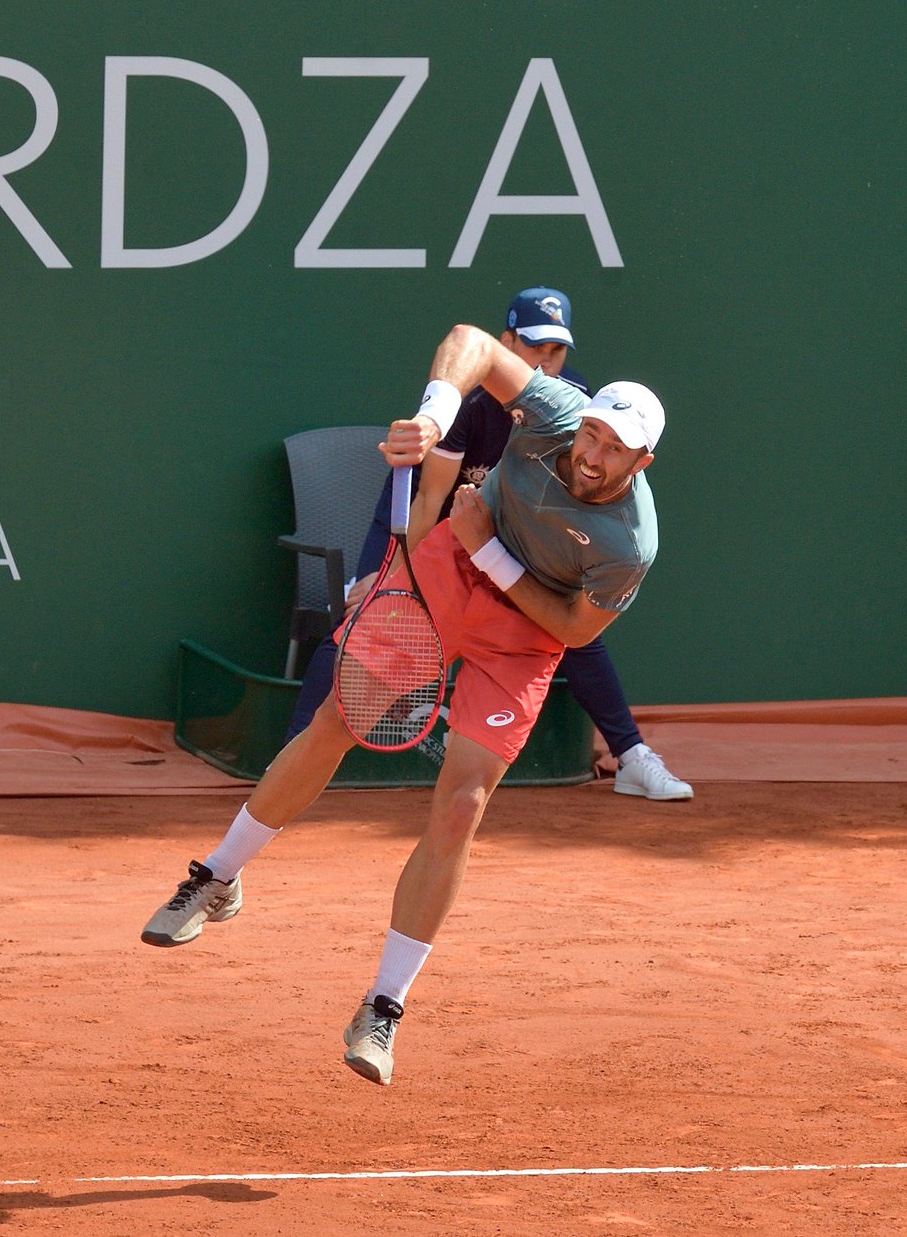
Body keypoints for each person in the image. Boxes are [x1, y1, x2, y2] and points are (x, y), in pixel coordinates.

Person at [143, 317, 667, 1086]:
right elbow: (472, 342)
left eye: (615, 449)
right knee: (336, 720)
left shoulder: (630, 543)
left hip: (524, 634)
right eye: (592, 434)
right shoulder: (555, 410)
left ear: (642, 461)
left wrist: (490, 547)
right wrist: (434, 414)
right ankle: (217, 876)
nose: (593, 453)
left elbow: (574, 630)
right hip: (447, 573)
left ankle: (382, 1006)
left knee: (462, 806)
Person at [284, 288, 691, 800]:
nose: (545, 361)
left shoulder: (583, 408)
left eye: (556, 350)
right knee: (367, 613)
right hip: (432, 520)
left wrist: (497, 556)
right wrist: (393, 575)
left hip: (502, 538)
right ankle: (293, 751)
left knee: (576, 637)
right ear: (507, 343)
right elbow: (430, 496)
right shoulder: (475, 403)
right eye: (535, 347)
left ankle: (630, 754)